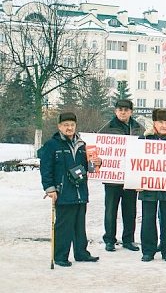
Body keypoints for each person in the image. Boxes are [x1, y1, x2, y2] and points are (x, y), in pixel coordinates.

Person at [39, 112, 102, 267]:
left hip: (80, 191)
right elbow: (46, 169)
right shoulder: (51, 145)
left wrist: (97, 162)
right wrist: (50, 189)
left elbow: (90, 168)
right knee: (63, 225)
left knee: (79, 225)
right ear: (59, 126)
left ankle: (81, 253)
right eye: (66, 125)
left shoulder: (82, 145)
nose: (69, 128)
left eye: (72, 125)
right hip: (63, 191)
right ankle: (60, 256)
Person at [98, 98, 144, 252]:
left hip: (130, 177)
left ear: (131, 111)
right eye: (120, 110)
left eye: (126, 110)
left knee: (130, 210)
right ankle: (109, 239)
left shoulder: (139, 128)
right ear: (115, 111)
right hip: (112, 177)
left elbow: (145, 150)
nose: (123, 112)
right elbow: (97, 148)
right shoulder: (107, 128)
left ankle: (129, 240)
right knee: (111, 210)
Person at [139, 108, 166, 262]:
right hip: (148, 186)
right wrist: (136, 180)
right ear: (154, 123)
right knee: (148, 219)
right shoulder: (144, 139)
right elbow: (136, 162)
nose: (164, 125)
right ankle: (148, 250)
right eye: (160, 122)